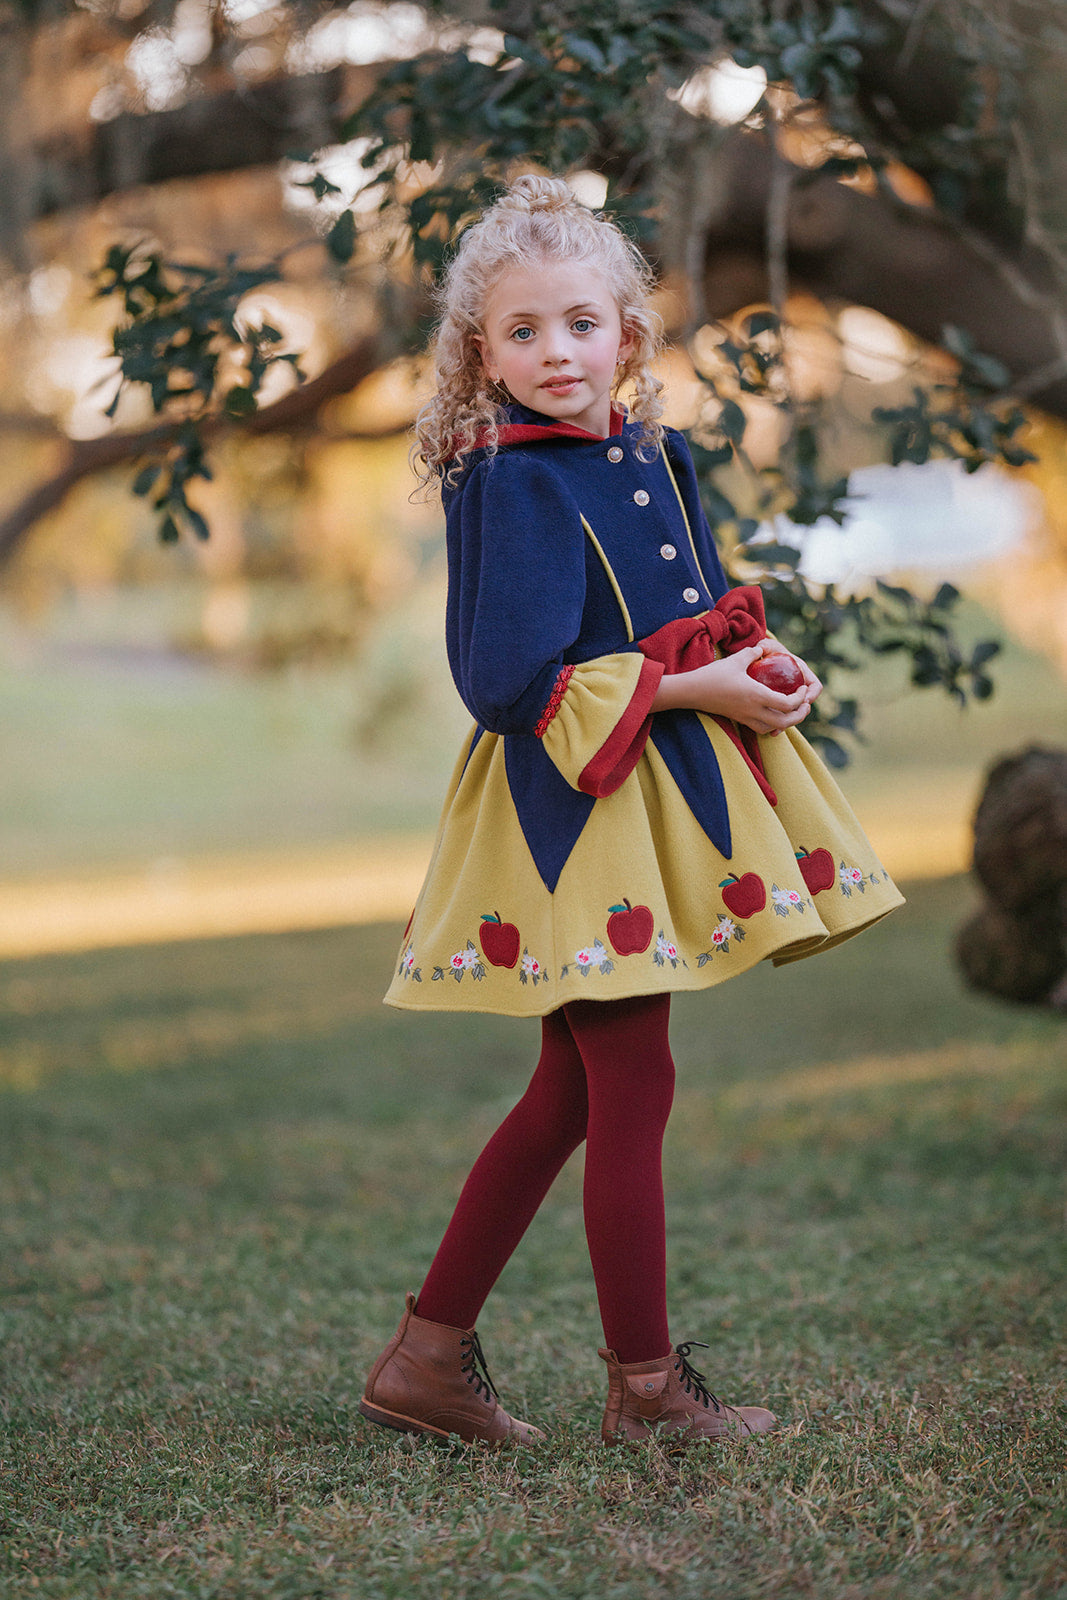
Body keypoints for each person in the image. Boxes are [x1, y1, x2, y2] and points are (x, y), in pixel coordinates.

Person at [360, 174, 904, 1448]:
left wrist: (755, 665)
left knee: (570, 1088)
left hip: (654, 788)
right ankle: (644, 1393)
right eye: (521, 332)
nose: (556, 353)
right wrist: (686, 684)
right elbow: (507, 683)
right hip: (577, 807)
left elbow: (696, 608)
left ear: (629, 332)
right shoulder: (508, 479)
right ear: (478, 354)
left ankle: (424, 1361)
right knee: (629, 1079)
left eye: (580, 323)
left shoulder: (657, 455)